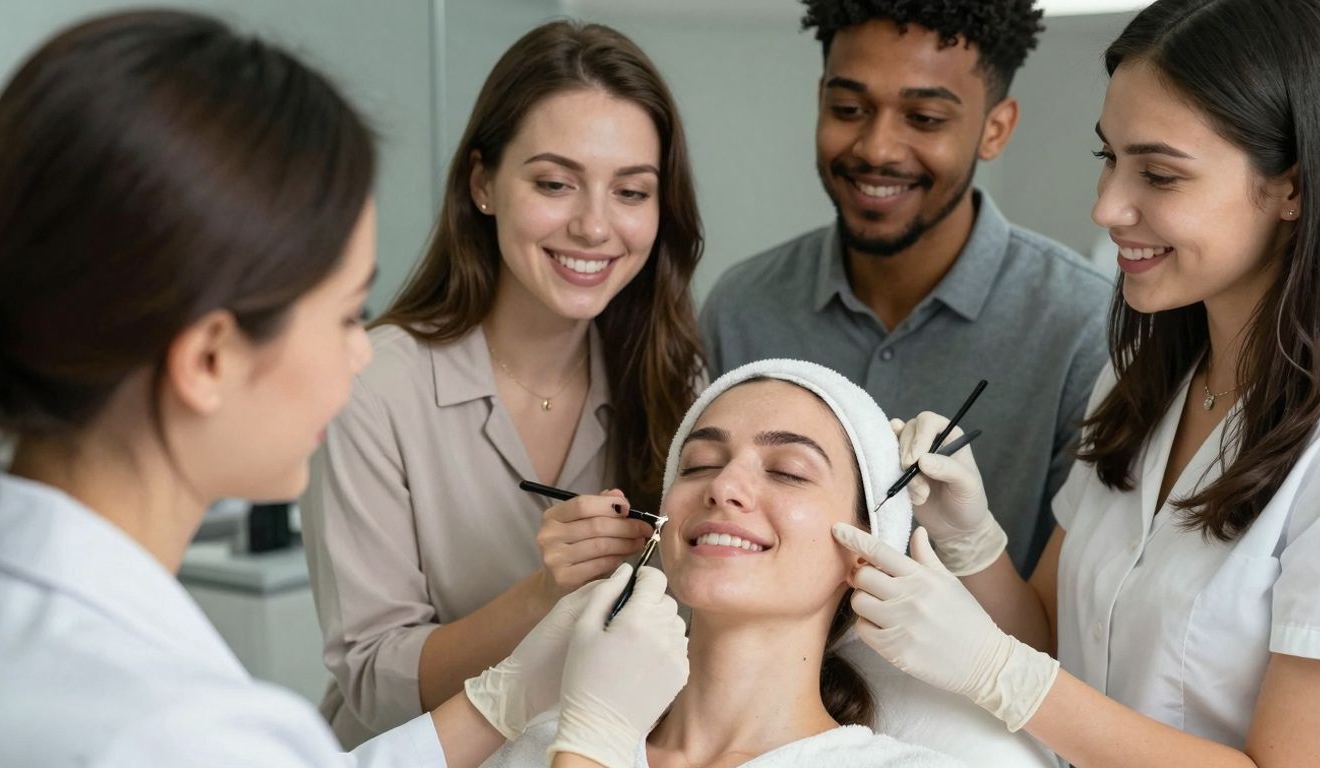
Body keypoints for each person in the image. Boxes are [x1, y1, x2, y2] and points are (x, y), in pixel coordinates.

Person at [0, 11, 689, 767]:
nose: (359, 353)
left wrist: (508, 693)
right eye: (346, 314)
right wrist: (585, 728)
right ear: (208, 359)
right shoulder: (180, 731)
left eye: (631, 191)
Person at [836, 1, 1320, 765]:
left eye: (1158, 174)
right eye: (1109, 158)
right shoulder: (1142, 380)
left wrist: (996, 672)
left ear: (1291, 187)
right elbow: (1051, 639)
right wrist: (970, 538)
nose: (1106, 207)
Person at [300, 19, 705, 747]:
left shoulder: (676, 379)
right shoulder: (374, 386)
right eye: (555, 184)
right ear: (483, 184)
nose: (594, 227)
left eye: (631, 191)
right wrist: (543, 597)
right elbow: (374, 682)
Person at [699, 0, 1112, 576]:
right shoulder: (742, 307)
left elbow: (1069, 604)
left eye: (924, 118)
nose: (876, 148)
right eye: (849, 109)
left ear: (995, 129)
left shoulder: (1085, 325)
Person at [484, 359, 962, 767]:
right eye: (699, 465)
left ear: (865, 551)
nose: (723, 486)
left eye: (788, 471)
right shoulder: (543, 746)